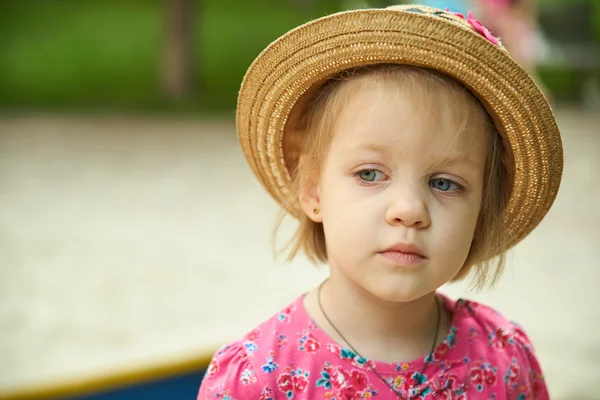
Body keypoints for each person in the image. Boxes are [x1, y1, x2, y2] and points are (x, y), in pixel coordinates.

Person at [198, 4, 563, 399]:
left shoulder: (503, 363)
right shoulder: (257, 379)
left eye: (444, 183)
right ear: (313, 191)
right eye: (370, 174)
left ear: (481, 212)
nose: (409, 210)